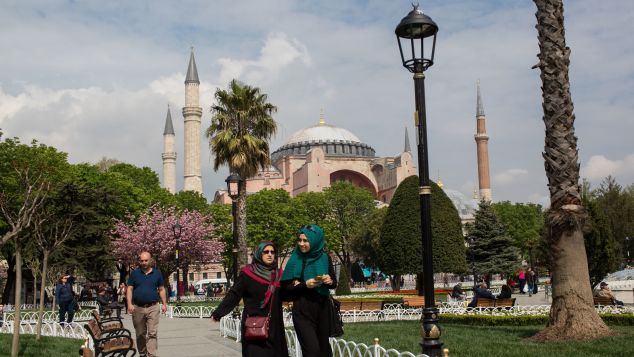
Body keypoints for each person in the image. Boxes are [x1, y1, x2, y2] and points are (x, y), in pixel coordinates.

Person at [212, 242, 288, 357]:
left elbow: (288, 295)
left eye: (272, 252)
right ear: (259, 254)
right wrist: (219, 312)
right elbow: (234, 294)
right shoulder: (247, 274)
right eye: (266, 252)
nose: (270, 255)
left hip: (274, 327)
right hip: (254, 326)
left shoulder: (279, 275)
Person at [282, 224, 337, 357]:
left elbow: (333, 284)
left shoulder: (325, 258)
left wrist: (329, 281)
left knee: (324, 350)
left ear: (315, 241)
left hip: (323, 309)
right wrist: (304, 285)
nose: (301, 244)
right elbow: (284, 290)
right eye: (300, 240)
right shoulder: (295, 259)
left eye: (306, 240)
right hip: (302, 311)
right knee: (312, 352)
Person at [127, 252, 168, 357]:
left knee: (152, 333)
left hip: (153, 307)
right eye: (142, 261)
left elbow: (161, 289)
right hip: (138, 308)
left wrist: (164, 304)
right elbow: (130, 289)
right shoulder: (134, 274)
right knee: (140, 333)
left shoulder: (157, 273)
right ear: (139, 261)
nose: (144, 263)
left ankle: (151, 354)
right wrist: (129, 304)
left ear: (150, 260)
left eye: (146, 260)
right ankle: (142, 353)